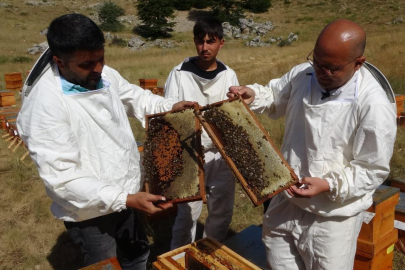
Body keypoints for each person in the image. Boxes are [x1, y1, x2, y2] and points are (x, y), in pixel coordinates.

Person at [17, 14, 195, 269]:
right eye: (88, 64)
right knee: (105, 264)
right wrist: (126, 199)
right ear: (60, 62)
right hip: (89, 211)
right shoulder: (44, 106)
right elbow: (64, 180)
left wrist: (168, 105)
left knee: (137, 256)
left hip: (129, 192)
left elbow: (135, 97)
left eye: (101, 58)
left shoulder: (103, 73)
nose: (98, 68)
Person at [228, 19, 397, 270]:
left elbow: (372, 169)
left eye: (330, 68)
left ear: (358, 63)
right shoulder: (304, 73)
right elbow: (275, 94)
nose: (319, 71)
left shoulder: (374, 105)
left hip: (332, 219)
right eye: (316, 61)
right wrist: (253, 94)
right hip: (285, 200)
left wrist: (328, 184)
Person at [164, 17, 239, 249]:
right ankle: (179, 257)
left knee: (221, 211)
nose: (204, 47)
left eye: (210, 41)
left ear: (221, 43)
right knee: (187, 215)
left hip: (220, 153)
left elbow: (233, 116)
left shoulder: (229, 75)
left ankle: (210, 255)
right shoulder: (179, 73)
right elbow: (168, 113)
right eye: (200, 41)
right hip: (189, 150)